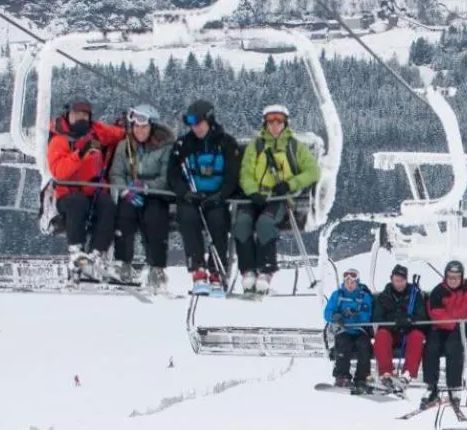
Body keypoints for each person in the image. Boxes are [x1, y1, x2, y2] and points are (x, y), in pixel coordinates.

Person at [234, 104, 321, 293]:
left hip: (278, 198)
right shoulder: (256, 146)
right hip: (254, 198)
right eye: (270, 121)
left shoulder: (294, 146)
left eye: (279, 121)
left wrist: (290, 184)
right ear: (265, 124)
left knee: (265, 223)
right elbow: (246, 172)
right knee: (242, 223)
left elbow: (312, 171)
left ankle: (266, 269)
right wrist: (252, 191)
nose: (275, 125)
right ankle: (247, 270)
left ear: (285, 123)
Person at [168, 99, 242, 293]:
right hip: (192, 197)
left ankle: (217, 271)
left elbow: (232, 175)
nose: (196, 128)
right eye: (192, 124)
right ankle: (198, 270)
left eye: (199, 123)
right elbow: (173, 175)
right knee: (188, 218)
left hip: (217, 198)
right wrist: (185, 193)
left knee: (218, 221)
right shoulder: (183, 144)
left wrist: (220, 195)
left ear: (209, 120)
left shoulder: (226, 143)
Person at [48, 97, 123, 279]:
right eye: (77, 114)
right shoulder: (60, 139)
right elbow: (59, 172)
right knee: (78, 202)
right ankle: (77, 252)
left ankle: (97, 253)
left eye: (85, 115)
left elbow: (117, 134)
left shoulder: (96, 132)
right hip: (69, 194)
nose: (81, 118)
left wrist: (127, 127)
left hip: (95, 192)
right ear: (68, 115)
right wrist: (80, 154)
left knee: (107, 204)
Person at [108, 105, 175, 288]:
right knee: (124, 215)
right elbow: (116, 173)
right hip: (131, 192)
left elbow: (166, 177)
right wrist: (125, 191)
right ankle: (123, 263)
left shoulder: (165, 147)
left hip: (155, 194)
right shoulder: (125, 146)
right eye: (136, 126)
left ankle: (156, 267)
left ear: (152, 127)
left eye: (144, 127)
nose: (139, 131)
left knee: (154, 219)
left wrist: (146, 187)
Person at [420, 260, 467, 410]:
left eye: (456, 277)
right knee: (431, 348)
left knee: (454, 348)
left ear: (462, 277)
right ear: (445, 277)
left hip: (458, 329)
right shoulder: (438, 292)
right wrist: (460, 326)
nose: (453, 280)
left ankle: (454, 387)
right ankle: (431, 386)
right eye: (450, 277)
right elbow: (436, 314)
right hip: (441, 327)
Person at [372, 265, 426, 393]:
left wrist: (410, 320)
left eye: (402, 280)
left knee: (417, 336)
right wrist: (394, 320)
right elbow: (377, 317)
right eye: (396, 280)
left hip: (408, 332)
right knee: (381, 335)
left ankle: (407, 374)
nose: (399, 284)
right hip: (391, 332)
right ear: (392, 279)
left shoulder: (415, 295)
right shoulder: (384, 296)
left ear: (406, 280)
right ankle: (386, 373)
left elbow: (422, 316)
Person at [324, 268, 375, 391]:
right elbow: (327, 312)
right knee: (343, 343)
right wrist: (335, 316)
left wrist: (356, 314)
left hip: (359, 329)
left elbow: (368, 315)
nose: (350, 285)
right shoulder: (337, 295)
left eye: (352, 282)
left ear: (357, 282)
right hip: (343, 329)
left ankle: (362, 378)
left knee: (364, 345)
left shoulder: (364, 296)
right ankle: (342, 377)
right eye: (347, 282)